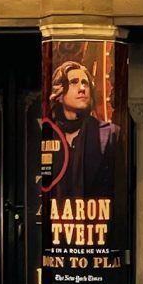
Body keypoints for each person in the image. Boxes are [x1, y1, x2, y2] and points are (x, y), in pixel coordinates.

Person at [42, 58, 118, 196]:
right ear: (59, 93)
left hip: (96, 214)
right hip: (56, 214)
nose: (82, 89)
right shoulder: (47, 133)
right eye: (74, 82)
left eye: (85, 83)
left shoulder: (110, 134)